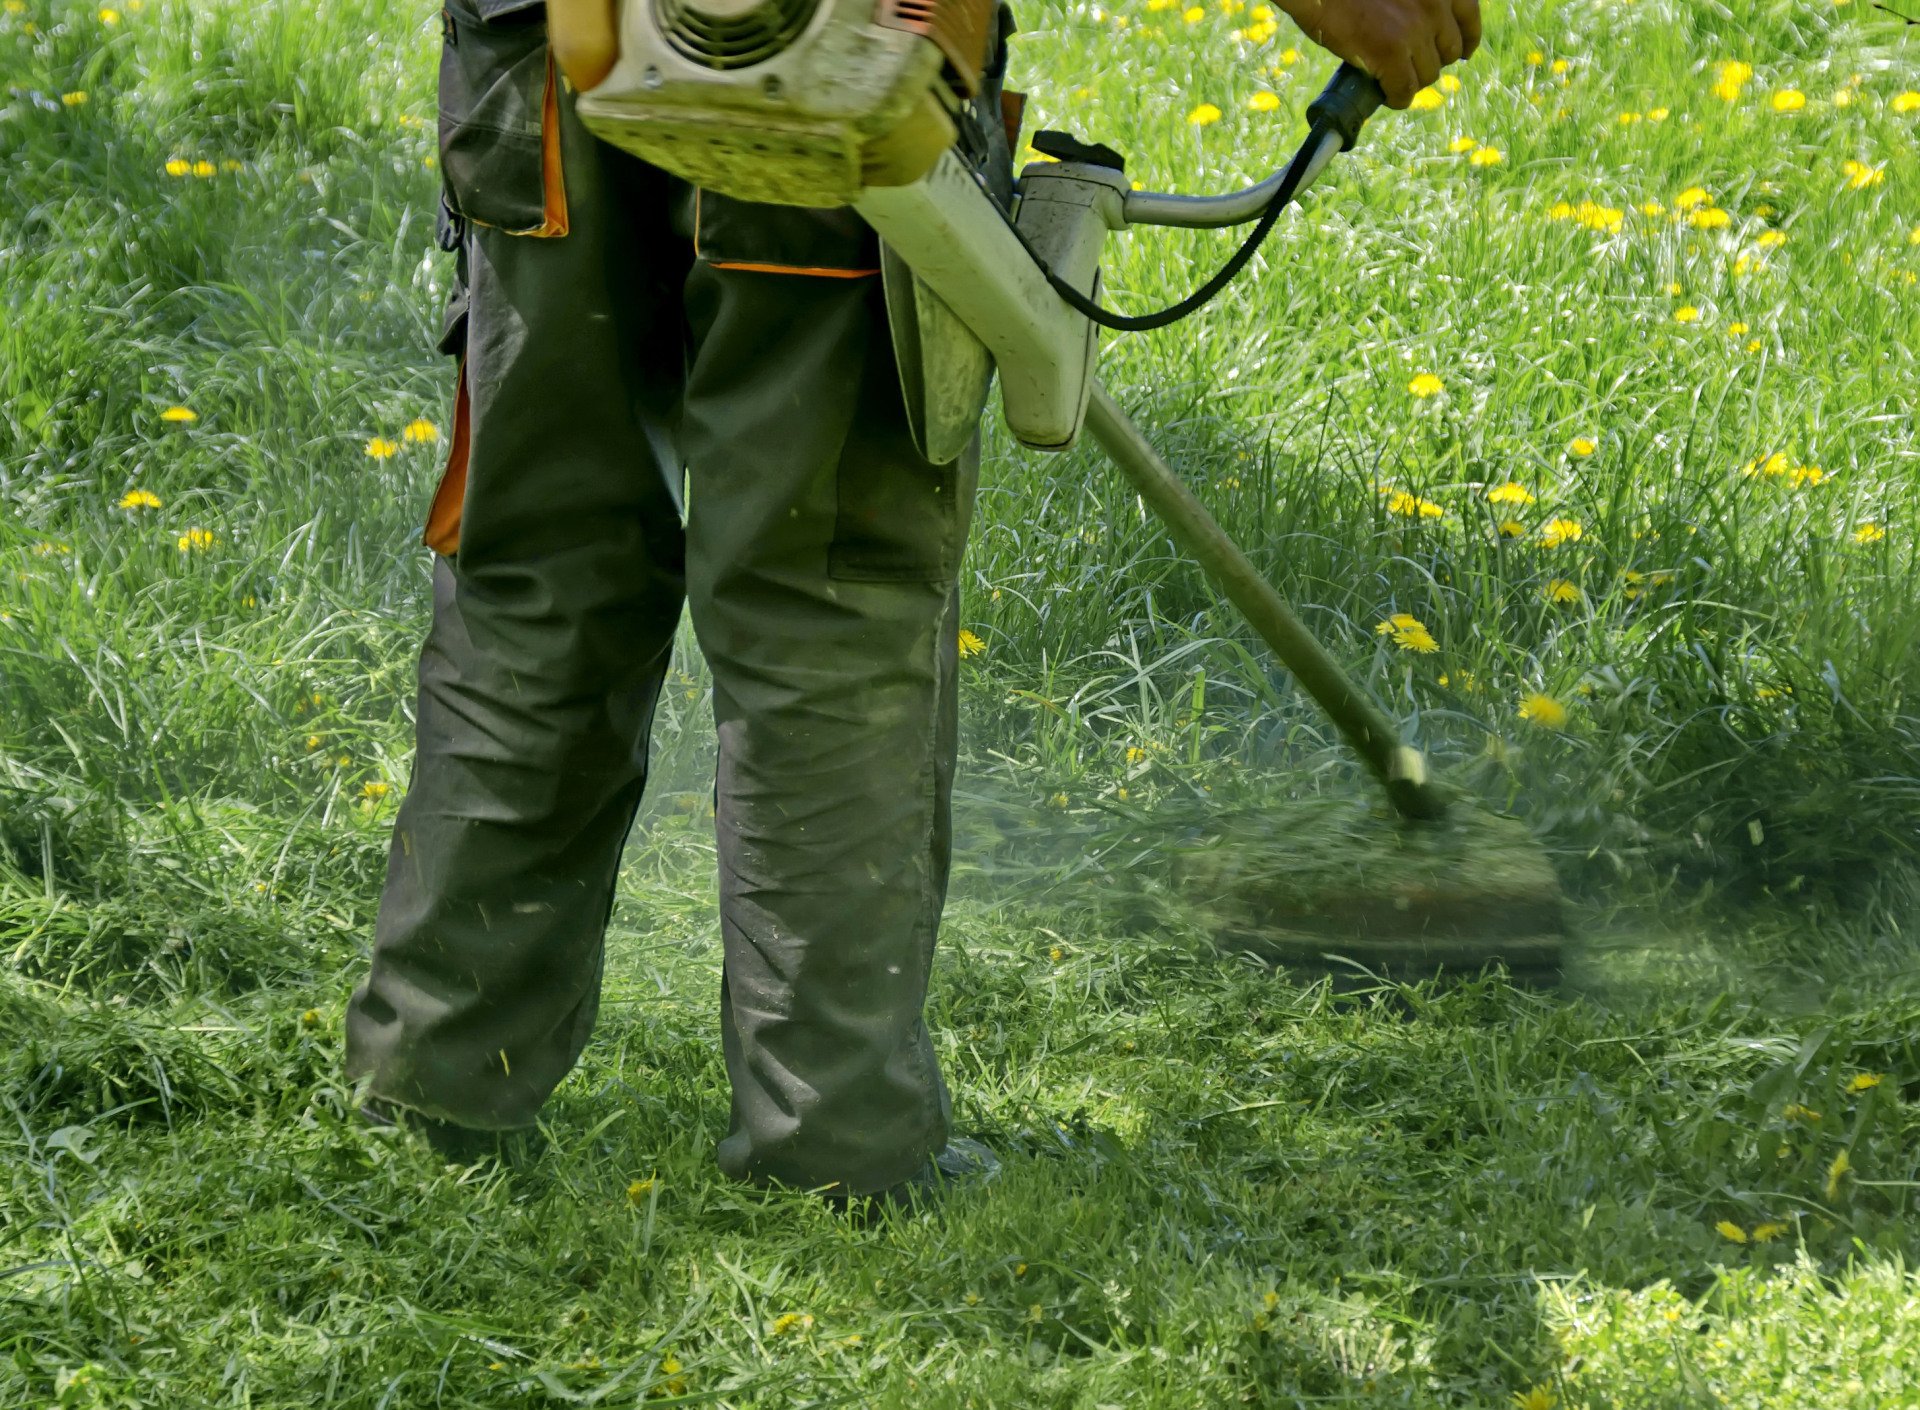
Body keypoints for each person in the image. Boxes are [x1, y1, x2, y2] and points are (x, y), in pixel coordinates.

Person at [344, 0, 1481, 1204]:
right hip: (827, 52)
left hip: (546, 51)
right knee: (825, 594)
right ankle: (836, 1145)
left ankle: (439, 1076)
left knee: (541, 573)